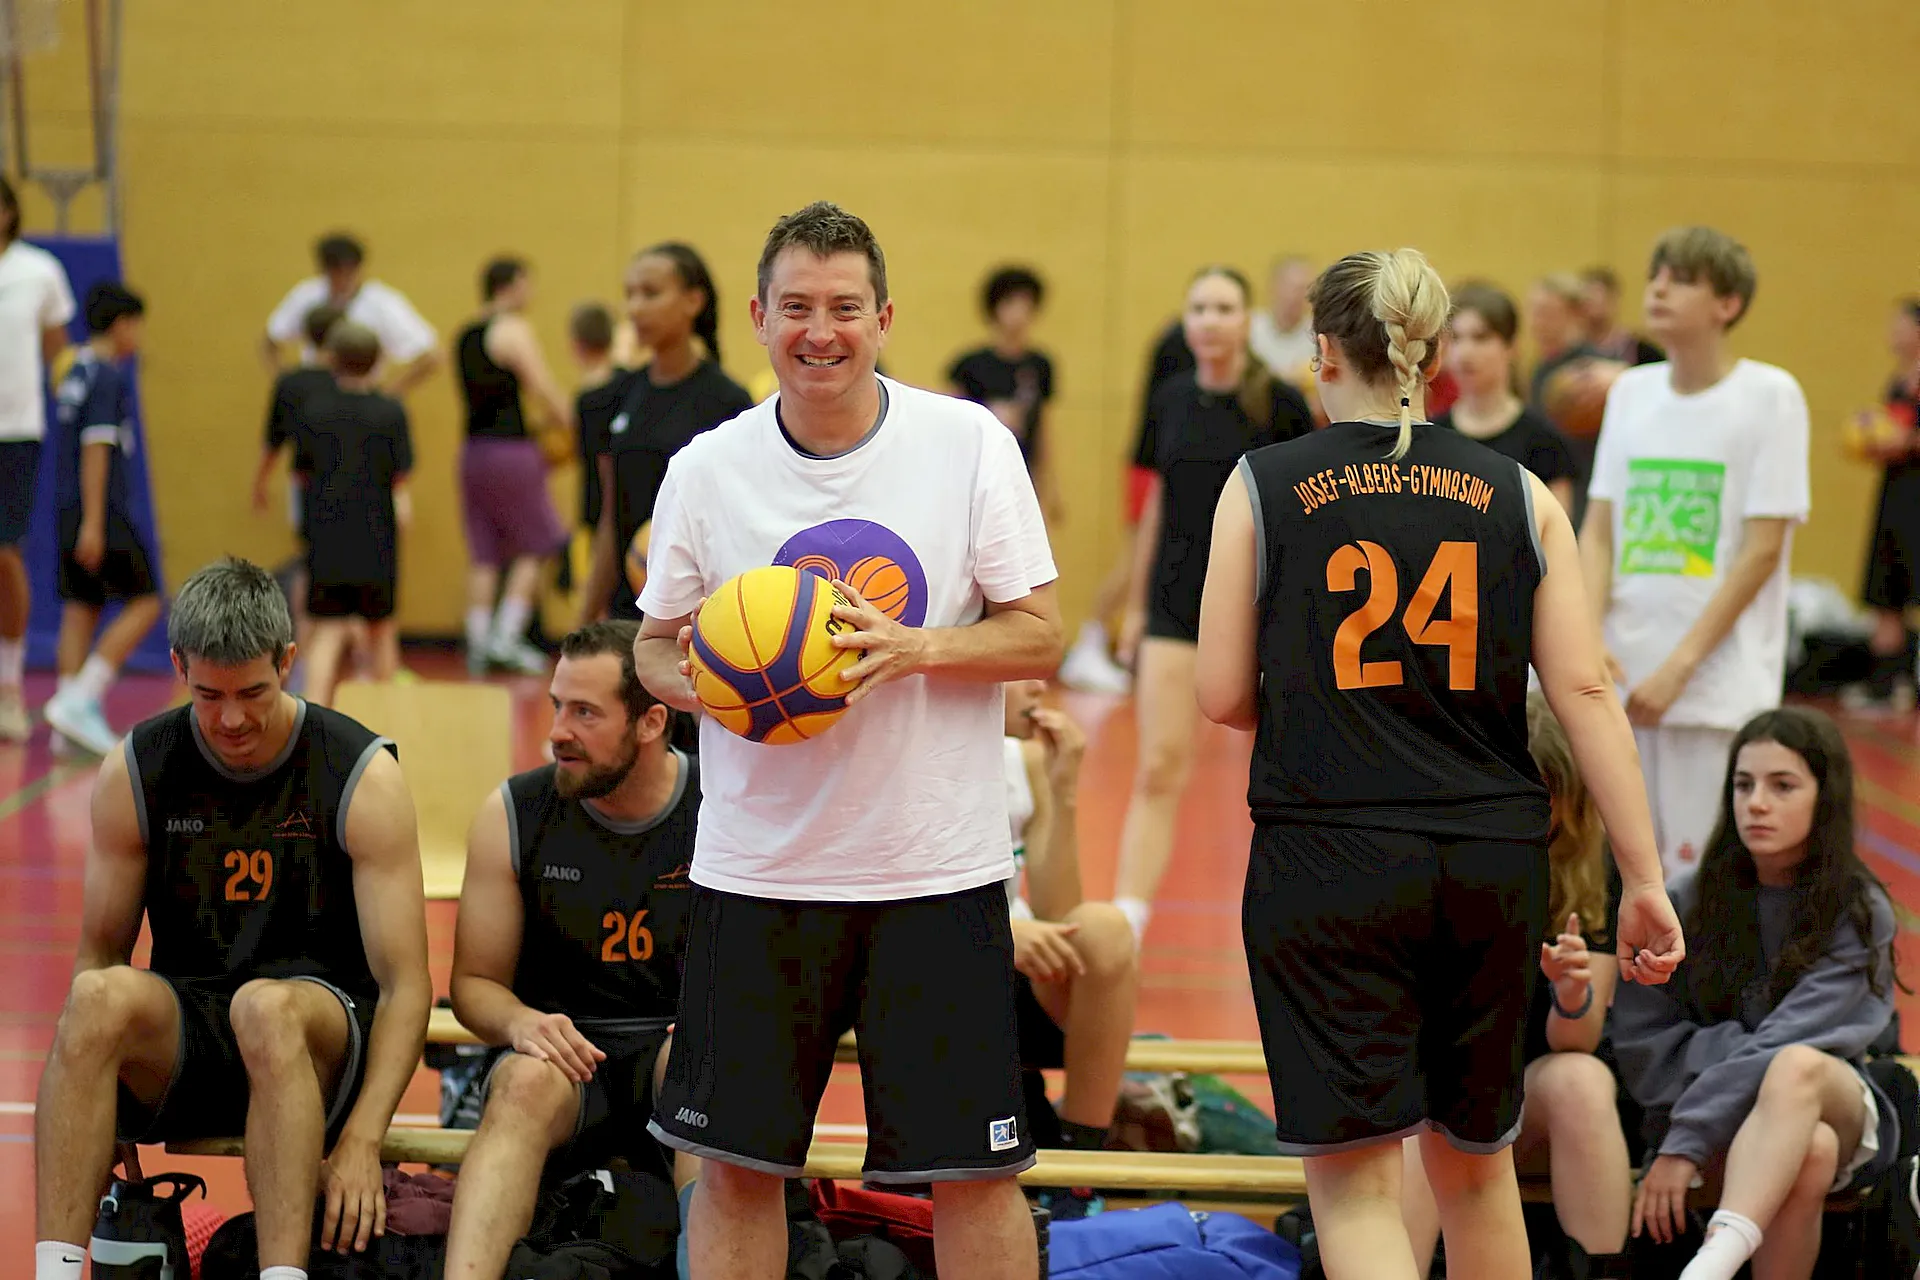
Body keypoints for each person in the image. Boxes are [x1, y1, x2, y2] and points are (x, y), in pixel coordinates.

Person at [1193, 247, 1683, 1280]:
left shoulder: (1262, 483)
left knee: (1360, 1187)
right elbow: (1585, 691)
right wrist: (1642, 878)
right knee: (1477, 1170)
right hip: (1488, 862)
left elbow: (1222, 692)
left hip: (1330, 855)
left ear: (1324, 352)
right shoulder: (1519, 492)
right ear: (1432, 354)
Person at [633, 200, 1061, 1280]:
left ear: (884, 318)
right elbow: (650, 646)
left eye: (843, 308)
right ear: (757, 318)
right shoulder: (706, 468)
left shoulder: (968, 444)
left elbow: (1039, 634)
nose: (819, 331)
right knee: (736, 1169)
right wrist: (721, 686)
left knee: (975, 1174)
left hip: (934, 872)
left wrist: (915, 648)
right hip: (757, 873)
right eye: (796, 308)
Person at [32, 557, 431, 1280]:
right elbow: (99, 954)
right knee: (94, 998)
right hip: (195, 1028)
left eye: (253, 692)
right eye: (209, 695)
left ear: (288, 660)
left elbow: (406, 986)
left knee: (265, 1008)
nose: (232, 719)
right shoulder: (137, 767)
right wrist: (96, 1084)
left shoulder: (359, 772)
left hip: (317, 1035)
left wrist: (365, 1138)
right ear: (179, 667)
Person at [443, 620, 700, 1280]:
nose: (557, 730)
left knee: (704, 1062)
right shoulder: (514, 811)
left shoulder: (720, 808)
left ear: (651, 722)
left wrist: (719, 1021)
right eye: (557, 705)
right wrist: (518, 1022)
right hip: (565, 1058)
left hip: (672, 1051)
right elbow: (473, 983)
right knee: (521, 1083)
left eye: (584, 712)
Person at [1612, 707, 1899, 1280]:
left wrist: (1686, 1140)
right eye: (1744, 785)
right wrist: (1724, 1077)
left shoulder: (1858, 909)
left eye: (1782, 786)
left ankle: (1709, 1268)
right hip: (1705, 1113)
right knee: (1810, 1149)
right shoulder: (1683, 902)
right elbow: (1642, 1043)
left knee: (1795, 1066)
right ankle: (1719, 1260)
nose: (1757, 804)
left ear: (1825, 798)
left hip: (1827, 1099)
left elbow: (1798, 1041)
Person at [1580, 227, 1811, 885]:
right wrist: (1587, 637)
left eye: (1680, 279)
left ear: (1727, 304)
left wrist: (1679, 667)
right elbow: (1599, 531)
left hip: (1713, 686)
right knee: (1624, 876)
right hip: (1623, 673)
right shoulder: (1631, 392)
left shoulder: (1771, 396)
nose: (1657, 289)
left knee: (1701, 876)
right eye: (1654, 275)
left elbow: (1762, 551)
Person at [1111, 266, 1314, 943]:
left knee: (1280, 779)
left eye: (1224, 308)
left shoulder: (1279, 404)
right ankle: (1129, 919)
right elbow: (1156, 506)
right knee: (1158, 766)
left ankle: (1287, 920)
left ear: (1246, 320)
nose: (1209, 320)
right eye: (1198, 308)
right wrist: (1135, 606)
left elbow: (1297, 512)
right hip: (1175, 604)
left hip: (1258, 609)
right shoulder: (1169, 399)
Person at [1400, 693, 1633, 1278]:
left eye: (1543, 793)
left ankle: (1599, 1270)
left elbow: (1578, 1042)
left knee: (1581, 1082)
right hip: (1445, 1086)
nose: (1527, 808)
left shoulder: (1590, 869)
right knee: (1428, 1107)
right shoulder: (1436, 849)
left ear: (1570, 799)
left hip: (1529, 1095)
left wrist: (1571, 994)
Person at [1001, 679, 1138, 1219]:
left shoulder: (1023, 761)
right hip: (935, 973)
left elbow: (1061, 915)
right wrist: (997, 933)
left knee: (1104, 929)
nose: (1040, 685)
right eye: (1021, 671)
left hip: (1016, 973)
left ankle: (1080, 1166)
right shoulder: (913, 760)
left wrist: (1063, 791)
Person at [585, 244, 750, 623]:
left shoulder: (726, 400)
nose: (635, 308)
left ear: (693, 301)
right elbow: (611, 518)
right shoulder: (619, 394)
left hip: (697, 614)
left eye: (650, 293)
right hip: (626, 611)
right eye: (630, 294)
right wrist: (584, 619)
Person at [40, 283, 162, 757]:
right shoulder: (108, 377)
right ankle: (81, 698)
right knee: (146, 601)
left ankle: (63, 729)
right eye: (137, 326)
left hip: (67, 506)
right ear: (122, 324)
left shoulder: (74, 372)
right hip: (102, 509)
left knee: (81, 606)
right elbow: (96, 448)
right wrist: (94, 522)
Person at [456, 256, 572, 676]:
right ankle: (505, 638)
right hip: (511, 452)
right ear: (511, 286)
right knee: (538, 544)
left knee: (484, 554)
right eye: (527, 284)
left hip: (473, 453)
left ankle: (477, 644)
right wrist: (575, 425)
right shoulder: (512, 329)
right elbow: (541, 386)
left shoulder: (465, 335)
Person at [298, 323, 413, 706]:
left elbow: (301, 472)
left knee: (327, 631)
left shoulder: (313, 411)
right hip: (376, 534)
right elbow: (401, 474)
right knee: (381, 630)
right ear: (378, 361)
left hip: (327, 535)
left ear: (332, 359)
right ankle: (385, 722)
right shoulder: (391, 411)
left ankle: (312, 715)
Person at [0, 174, 76, 741]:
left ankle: (9, 688)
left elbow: (58, 355)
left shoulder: (39, 270)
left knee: (6, 555)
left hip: (15, 432)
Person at [1436, 282, 1579, 515]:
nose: (1465, 352)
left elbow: (1558, 530)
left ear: (1512, 346)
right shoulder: (1433, 436)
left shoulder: (1543, 441)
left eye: (1480, 337)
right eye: (1456, 338)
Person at [261, 232, 439, 396]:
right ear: (323, 269)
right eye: (335, 271)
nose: (343, 278)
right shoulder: (306, 296)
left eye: (349, 271)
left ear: (360, 268)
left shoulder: (383, 304)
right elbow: (271, 340)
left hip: (360, 396)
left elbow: (430, 356)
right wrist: (286, 385)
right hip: (313, 395)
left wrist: (388, 395)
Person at [947, 266, 1059, 520]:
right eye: (1011, 303)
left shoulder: (1040, 365)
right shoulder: (971, 365)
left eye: (1026, 304)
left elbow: (1044, 430)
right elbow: (952, 424)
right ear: (995, 309)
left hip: (1022, 474)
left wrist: (1050, 487)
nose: (1019, 313)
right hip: (977, 476)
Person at [1852, 296, 1920, 709]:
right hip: (1894, 491)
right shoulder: (1899, 379)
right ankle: (1888, 683)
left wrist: (1907, 442)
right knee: (1885, 588)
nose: (1893, 334)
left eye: (1901, 326)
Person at [251, 302, 344, 521]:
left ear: (307, 336)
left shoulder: (290, 384)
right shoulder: (352, 384)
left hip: (306, 479)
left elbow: (274, 439)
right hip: (356, 479)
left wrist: (260, 481)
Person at [566, 302, 635, 547]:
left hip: (600, 499)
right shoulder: (629, 381)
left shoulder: (587, 400)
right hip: (632, 497)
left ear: (576, 345)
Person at [1248, 254, 1316, 382]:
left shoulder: (1319, 335)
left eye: (1304, 289)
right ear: (1273, 287)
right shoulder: (1250, 327)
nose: (1296, 296)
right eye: (1290, 287)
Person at [1579, 266, 1665, 367]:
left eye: (1596, 296)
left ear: (1613, 299)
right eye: (1587, 299)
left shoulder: (1642, 351)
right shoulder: (1572, 350)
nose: (1590, 303)